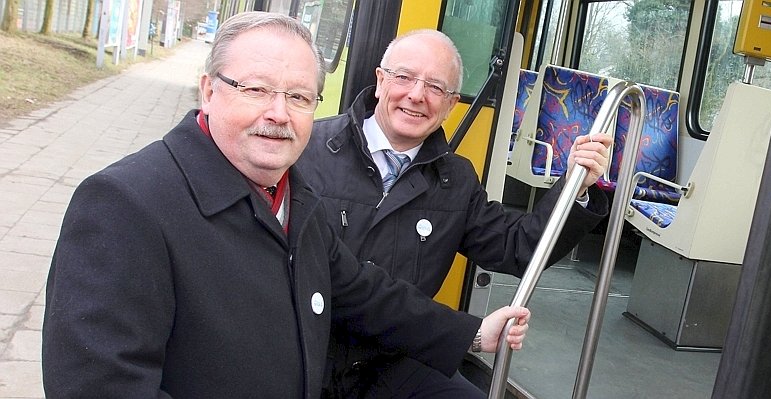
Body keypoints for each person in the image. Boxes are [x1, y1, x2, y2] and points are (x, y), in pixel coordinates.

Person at [41, 12, 531, 399]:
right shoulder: (125, 204)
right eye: (255, 89)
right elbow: (100, 384)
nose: (278, 113)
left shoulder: (296, 198)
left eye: (299, 97)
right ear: (209, 90)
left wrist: (471, 335)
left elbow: (364, 292)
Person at [295, 29, 614, 398]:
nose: (417, 95)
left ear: (449, 105)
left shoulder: (455, 179)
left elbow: (518, 246)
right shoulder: (308, 150)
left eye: (435, 87)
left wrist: (576, 187)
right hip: (305, 348)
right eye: (404, 77)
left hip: (393, 359)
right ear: (381, 81)